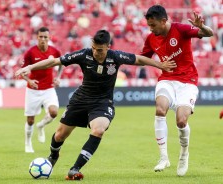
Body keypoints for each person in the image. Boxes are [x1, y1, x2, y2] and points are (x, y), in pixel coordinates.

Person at [15, 30, 176, 180]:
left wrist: (160, 65)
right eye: (93, 48)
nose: (95, 52)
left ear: (108, 47)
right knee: (59, 136)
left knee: (98, 130)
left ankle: (75, 169)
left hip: (102, 102)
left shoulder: (116, 56)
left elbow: (139, 59)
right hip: (81, 99)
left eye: (99, 50)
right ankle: (53, 156)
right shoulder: (84, 54)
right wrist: (29, 67)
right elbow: (55, 61)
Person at [140, 5, 214, 176]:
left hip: (188, 82)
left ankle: (184, 153)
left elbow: (209, 33)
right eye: (149, 25)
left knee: (181, 121)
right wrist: (159, 64)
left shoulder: (180, 29)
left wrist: (201, 26)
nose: (150, 29)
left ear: (164, 21)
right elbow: (142, 59)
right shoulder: (151, 38)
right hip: (167, 80)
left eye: (153, 25)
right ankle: (164, 157)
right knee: (160, 109)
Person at [21, 27, 62, 153]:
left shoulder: (55, 51)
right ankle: (28, 143)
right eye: (41, 37)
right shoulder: (30, 53)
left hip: (49, 89)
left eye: (45, 37)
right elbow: (23, 72)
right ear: (37, 37)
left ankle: (41, 126)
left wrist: (58, 77)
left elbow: (61, 64)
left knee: (54, 112)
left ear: (49, 38)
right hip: (33, 90)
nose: (43, 39)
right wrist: (29, 81)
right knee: (30, 120)